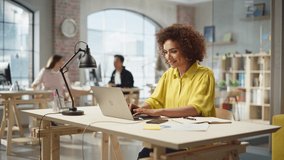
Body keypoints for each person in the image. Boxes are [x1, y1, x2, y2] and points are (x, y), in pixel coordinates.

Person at [129, 24, 216, 159]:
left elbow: (195, 109)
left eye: (173, 51)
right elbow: (155, 100)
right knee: (144, 155)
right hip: (172, 136)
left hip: (195, 140)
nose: (168, 57)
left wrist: (158, 112)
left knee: (152, 155)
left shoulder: (205, 75)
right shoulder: (168, 74)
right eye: (165, 52)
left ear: (188, 50)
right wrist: (141, 109)